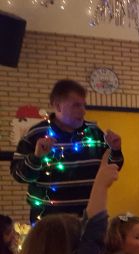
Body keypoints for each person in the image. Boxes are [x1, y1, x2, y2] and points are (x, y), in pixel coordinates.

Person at [11, 79, 123, 224]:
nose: (83, 111)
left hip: (90, 219)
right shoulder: (36, 134)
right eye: (76, 105)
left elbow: (112, 169)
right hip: (49, 223)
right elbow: (19, 176)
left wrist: (116, 150)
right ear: (58, 106)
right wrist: (36, 157)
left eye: (83, 105)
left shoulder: (95, 133)